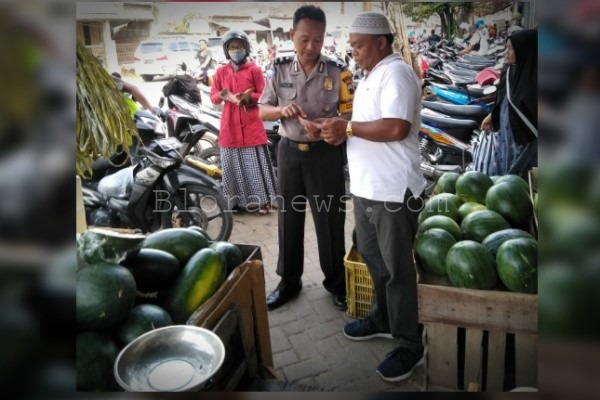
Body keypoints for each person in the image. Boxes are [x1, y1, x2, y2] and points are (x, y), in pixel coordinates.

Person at [318, 12, 427, 383]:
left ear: (381, 42)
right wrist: (334, 123)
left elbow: (397, 127)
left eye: (359, 46)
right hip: (368, 189)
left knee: (398, 270)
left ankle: (410, 345)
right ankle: (383, 319)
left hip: (393, 192)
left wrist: (345, 126)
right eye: (352, 46)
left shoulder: (397, 73)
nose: (355, 53)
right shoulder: (372, 75)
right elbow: (366, 120)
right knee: (372, 257)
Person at [258, 5, 354, 311]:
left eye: (318, 39)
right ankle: (288, 281)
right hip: (289, 154)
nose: (311, 46)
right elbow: (262, 109)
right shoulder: (280, 68)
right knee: (288, 218)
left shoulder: (339, 71)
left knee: (330, 219)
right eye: (304, 39)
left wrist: (332, 125)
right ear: (291, 35)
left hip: (325, 154)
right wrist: (281, 111)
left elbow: (350, 111)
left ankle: (337, 283)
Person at [210, 30, 277, 215]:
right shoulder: (221, 71)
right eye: (232, 47)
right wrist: (221, 95)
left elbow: (265, 95)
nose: (235, 50)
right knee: (232, 167)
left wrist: (249, 97)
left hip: (251, 126)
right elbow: (213, 97)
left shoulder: (254, 69)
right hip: (229, 127)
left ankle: (264, 202)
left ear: (246, 48)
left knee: (255, 166)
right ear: (226, 50)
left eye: (239, 47)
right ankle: (235, 203)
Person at [480, 29, 538, 176]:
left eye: (511, 48)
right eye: (506, 47)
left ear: (525, 50)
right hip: (507, 136)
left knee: (522, 179)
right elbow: (503, 97)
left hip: (525, 141)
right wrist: (493, 116)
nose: (506, 52)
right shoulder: (509, 71)